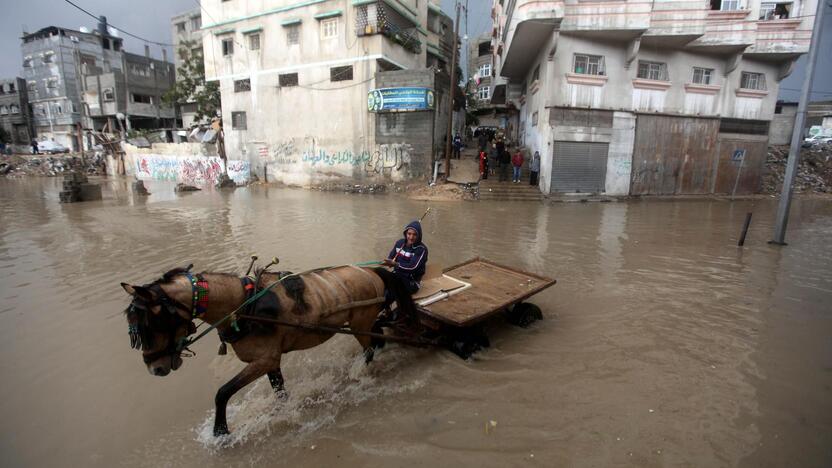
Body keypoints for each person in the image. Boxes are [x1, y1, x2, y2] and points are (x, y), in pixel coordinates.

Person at [383, 220, 428, 296]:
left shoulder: (421, 249)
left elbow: (412, 267)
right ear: (405, 233)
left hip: (411, 281)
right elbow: (391, 257)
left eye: (414, 235)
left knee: (389, 292)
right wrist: (388, 262)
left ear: (419, 235)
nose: (411, 237)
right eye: (409, 234)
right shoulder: (399, 243)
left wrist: (395, 264)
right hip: (397, 274)